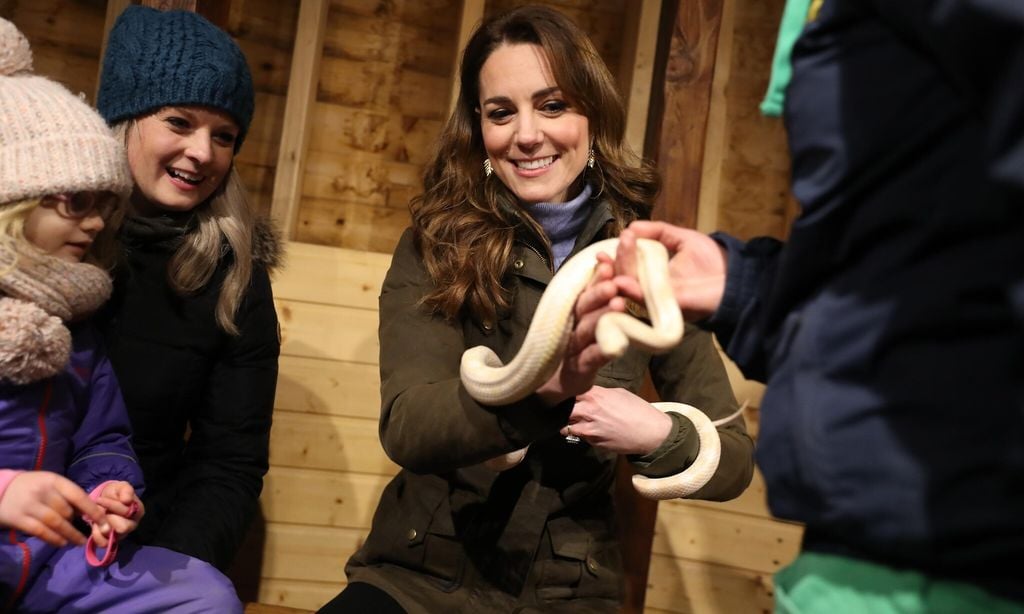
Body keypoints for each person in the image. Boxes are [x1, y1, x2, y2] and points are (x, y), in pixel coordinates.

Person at [318, 6, 754, 613]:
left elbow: (732, 459)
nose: (527, 134)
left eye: (552, 105)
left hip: (570, 591)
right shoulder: (435, 243)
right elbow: (409, 427)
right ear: (480, 129)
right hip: (420, 577)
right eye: (502, 112)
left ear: (592, 116)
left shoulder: (645, 257)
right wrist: (539, 390)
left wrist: (654, 430)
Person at [612, 1, 1024, 612]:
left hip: (965, 564)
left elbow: (727, 458)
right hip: (860, 557)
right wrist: (745, 287)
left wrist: (657, 432)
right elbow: (897, 257)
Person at [0, 18, 242, 612]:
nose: (97, 223)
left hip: (52, 562)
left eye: (106, 206)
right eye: (77, 202)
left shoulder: (77, 323)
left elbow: (102, 436)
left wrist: (110, 491)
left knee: (204, 595)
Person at [94, 6, 281, 571]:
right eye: (180, 122)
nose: (203, 153)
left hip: (142, 542)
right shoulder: (44, 239)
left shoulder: (236, 277)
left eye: (223, 136)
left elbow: (228, 465)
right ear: (124, 119)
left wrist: (168, 572)